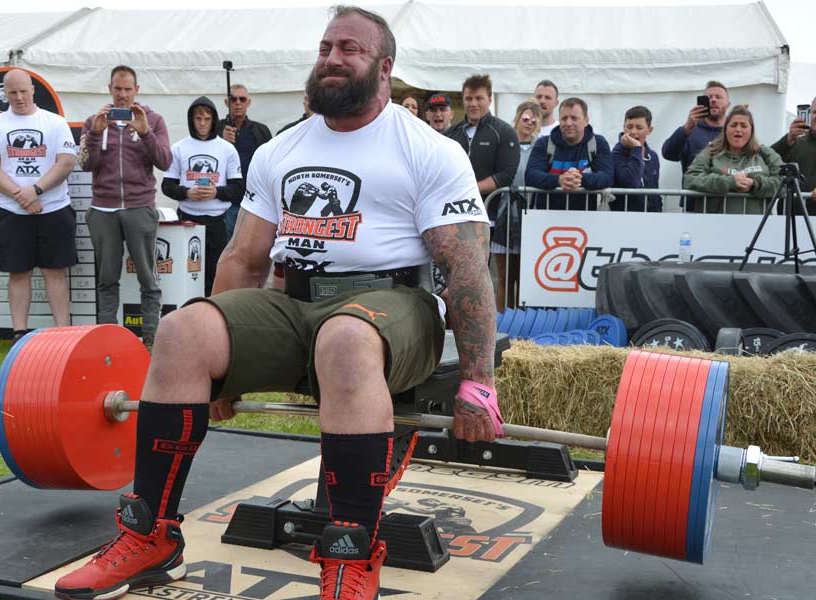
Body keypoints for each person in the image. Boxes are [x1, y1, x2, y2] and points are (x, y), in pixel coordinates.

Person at [54, 6, 499, 600]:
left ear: (385, 68)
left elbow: (466, 270)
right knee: (183, 329)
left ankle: (349, 555)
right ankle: (151, 537)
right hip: (294, 304)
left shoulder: (430, 150)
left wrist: (479, 380)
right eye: (325, 48)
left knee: (344, 338)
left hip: (393, 303)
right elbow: (243, 260)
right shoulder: (280, 150)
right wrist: (222, 366)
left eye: (350, 49)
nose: (332, 58)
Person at [0, 69, 77, 342]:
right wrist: (21, 196)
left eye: (23, 91)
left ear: (33, 89)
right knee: (18, 273)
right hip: (11, 211)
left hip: (54, 208)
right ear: (5, 94)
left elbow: (66, 162)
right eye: (12, 92)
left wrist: (36, 190)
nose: (19, 97)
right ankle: (19, 333)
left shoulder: (55, 122)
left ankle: (62, 333)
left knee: (55, 272)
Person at [80, 65, 172, 348]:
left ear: (137, 90)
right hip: (103, 210)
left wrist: (145, 132)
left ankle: (151, 341)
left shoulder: (153, 119)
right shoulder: (93, 121)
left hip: (139, 207)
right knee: (107, 279)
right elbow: (85, 164)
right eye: (117, 89)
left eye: (127, 89)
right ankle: (107, 341)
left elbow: (165, 162)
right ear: (109, 89)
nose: (122, 95)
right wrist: (96, 134)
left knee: (148, 278)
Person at [161, 96, 243, 295]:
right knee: (188, 271)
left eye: (207, 118)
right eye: (198, 118)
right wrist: (187, 193)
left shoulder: (227, 149)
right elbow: (166, 185)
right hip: (188, 221)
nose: (203, 123)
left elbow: (238, 188)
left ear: (214, 120)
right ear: (191, 120)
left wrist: (216, 192)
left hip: (217, 222)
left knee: (215, 273)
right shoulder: (179, 148)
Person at [443, 74, 519, 240]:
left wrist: (470, 190)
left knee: (481, 265)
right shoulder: (451, 133)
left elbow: (506, 175)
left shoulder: (504, 131)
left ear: (490, 99)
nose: (473, 104)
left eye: (479, 98)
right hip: (453, 216)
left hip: (488, 215)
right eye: (468, 98)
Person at [683, 105, 782, 215]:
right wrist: (729, 182)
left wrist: (755, 184)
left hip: (757, 226)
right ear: (725, 129)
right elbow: (690, 179)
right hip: (714, 225)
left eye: (744, 126)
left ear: (751, 131)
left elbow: (785, 183)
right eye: (733, 125)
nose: (738, 129)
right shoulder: (710, 152)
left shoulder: (765, 153)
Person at [492, 101, 542, 311]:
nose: (529, 122)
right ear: (518, 118)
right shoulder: (504, 143)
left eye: (533, 119)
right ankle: (504, 321)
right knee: (504, 275)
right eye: (525, 117)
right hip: (505, 213)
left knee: (523, 275)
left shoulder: (539, 147)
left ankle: (521, 322)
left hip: (529, 215)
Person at [525, 97, 613, 211]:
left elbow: (607, 177)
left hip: (587, 219)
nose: (568, 123)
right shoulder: (544, 143)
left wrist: (580, 179)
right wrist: (559, 180)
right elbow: (531, 175)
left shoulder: (598, 143)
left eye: (574, 118)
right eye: (564, 118)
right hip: (547, 220)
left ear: (586, 121)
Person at [219, 84, 271, 238]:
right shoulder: (216, 128)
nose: (238, 103)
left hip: (252, 201)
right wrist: (220, 139)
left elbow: (268, 164)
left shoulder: (261, 130)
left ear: (248, 102)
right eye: (233, 99)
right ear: (227, 103)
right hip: (223, 200)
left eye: (242, 99)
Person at [661, 81, 730, 182]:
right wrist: (686, 129)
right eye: (709, 97)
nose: (713, 100)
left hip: (725, 195)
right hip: (694, 196)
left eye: (718, 97)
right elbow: (669, 154)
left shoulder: (735, 133)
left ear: (728, 104)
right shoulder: (690, 131)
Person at [611, 106, 662, 212]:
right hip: (625, 218)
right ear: (623, 127)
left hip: (651, 218)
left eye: (639, 128)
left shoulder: (653, 156)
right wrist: (636, 149)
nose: (633, 132)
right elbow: (632, 182)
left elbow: (655, 192)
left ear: (649, 130)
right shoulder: (616, 153)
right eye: (629, 127)